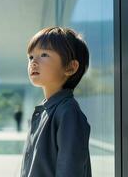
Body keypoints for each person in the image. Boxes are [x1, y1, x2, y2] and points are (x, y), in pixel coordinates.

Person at [20, 27, 92, 177]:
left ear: (70, 67)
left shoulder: (68, 113)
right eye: (31, 57)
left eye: (44, 54)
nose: (33, 62)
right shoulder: (46, 109)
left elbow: (70, 170)